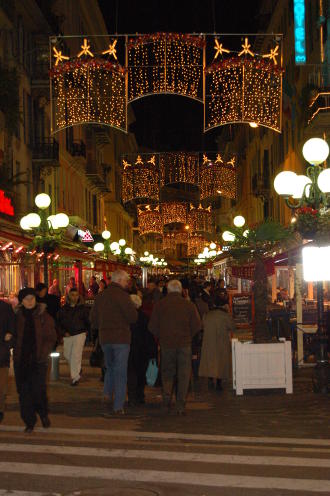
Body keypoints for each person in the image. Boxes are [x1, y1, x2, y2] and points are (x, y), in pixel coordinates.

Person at [149, 279, 201, 415]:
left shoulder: (160, 305)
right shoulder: (188, 305)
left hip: (167, 345)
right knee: (183, 374)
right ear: (181, 290)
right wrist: (188, 336)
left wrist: (162, 336)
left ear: (168, 289)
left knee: (167, 373)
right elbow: (197, 326)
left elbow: (152, 326)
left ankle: (166, 402)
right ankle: (180, 404)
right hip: (184, 345)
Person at [90, 269, 138, 414]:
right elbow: (133, 317)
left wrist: (102, 326)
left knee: (110, 367)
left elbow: (93, 319)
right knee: (121, 371)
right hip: (121, 338)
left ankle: (106, 394)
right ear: (119, 280)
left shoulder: (101, 296)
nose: (126, 283)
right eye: (125, 281)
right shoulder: (124, 297)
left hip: (105, 338)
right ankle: (118, 405)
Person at [13, 288, 57, 432]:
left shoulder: (44, 316)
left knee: (38, 391)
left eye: (32, 298)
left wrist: (43, 354)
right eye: (26, 299)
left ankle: (43, 413)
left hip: (38, 361)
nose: (30, 301)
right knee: (24, 393)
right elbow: (12, 334)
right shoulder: (17, 317)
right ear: (22, 301)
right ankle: (29, 421)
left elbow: (51, 337)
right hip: (22, 361)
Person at [199, 293, 236, 391]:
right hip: (222, 342)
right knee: (221, 361)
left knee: (210, 361)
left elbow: (202, 326)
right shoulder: (225, 316)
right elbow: (233, 327)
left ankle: (211, 380)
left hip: (209, 342)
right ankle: (219, 383)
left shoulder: (207, 315)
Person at [57, 288, 90, 386]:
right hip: (68, 334)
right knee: (67, 355)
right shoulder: (63, 309)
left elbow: (88, 321)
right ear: (68, 296)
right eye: (72, 295)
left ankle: (75, 378)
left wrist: (87, 332)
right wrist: (63, 332)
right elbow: (59, 323)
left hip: (80, 333)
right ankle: (77, 370)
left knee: (76, 355)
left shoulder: (83, 309)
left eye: (76, 295)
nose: (74, 297)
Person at [0, 300, 15, 423]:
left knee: (1, 387)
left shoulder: (6, 308)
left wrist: (8, 344)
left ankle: (0, 409)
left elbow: (12, 328)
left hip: (1, 355)